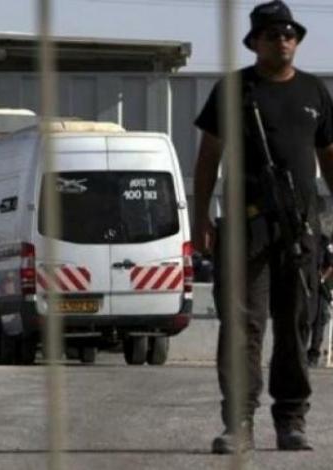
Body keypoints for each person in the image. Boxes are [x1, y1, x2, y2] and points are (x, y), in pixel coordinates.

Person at [193, 0, 333, 454]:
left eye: (290, 33)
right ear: (255, 42)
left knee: (295, 324)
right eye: (273, 34)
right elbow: (208, 157)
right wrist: (199, 217)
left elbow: (328, 157)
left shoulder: (314, 91)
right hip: (245, 226)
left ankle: (291, 421)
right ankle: (239, 423)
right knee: (242, 326)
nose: (283, 40)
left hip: (300, 227)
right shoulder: (234, 90)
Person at [308, 232, 333, 367]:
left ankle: (313, 354)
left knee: (319, 321)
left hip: (321, 289)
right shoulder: (306, 238)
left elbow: (331, 265)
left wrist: (322, 278)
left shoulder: (325, 242)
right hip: (308, 285)